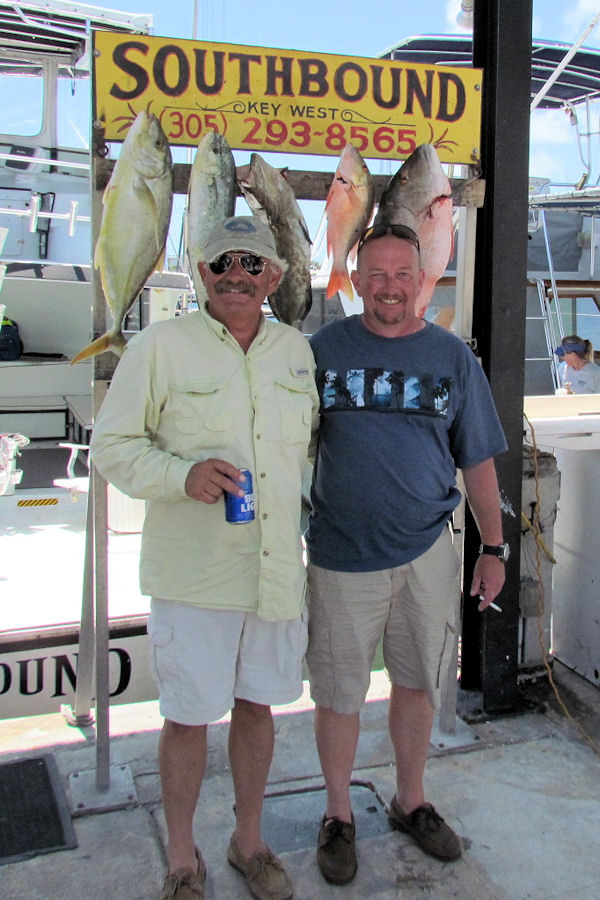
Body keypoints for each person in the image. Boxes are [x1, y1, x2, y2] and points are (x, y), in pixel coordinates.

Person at [90, 215, 319, 900]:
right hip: (194, 579)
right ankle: (182, 859)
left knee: (258, 710)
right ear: (201, 276)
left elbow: (306, 452)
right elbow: (112, 448)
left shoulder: (297, 353)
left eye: (251, 264)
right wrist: (179, 476)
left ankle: (249, 842)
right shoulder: (159, 347)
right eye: (221, 265)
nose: (236, 276)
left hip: (276, 571)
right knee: (187, 717)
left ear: (273, 277)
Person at [305, 223, 508, 885]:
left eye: (403, 275)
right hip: (339, 555)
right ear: (357, 280)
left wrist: (495, 548)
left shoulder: (453, 358)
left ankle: (411, 800)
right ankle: (339, 813)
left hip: (428, 553)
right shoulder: (321, 351)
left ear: (423, 281)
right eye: (377, 275)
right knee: (338, 694)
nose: (390, 288)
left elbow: (475, 459)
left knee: (419, 684)